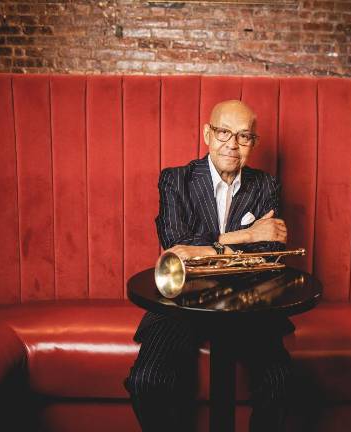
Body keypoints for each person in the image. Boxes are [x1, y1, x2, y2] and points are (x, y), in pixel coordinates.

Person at [125, 100, 294, 432]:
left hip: (247, 305)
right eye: (223, 132)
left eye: (244, 136)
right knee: (147, 381)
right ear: (207, 133)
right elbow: (175, 244)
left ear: (253, 144)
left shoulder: (266, 185)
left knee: (280, 384)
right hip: (180, 301)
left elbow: (269, 249)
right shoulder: (175, 179)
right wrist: (245, 236)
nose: (232, 144)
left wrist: (202, 246)